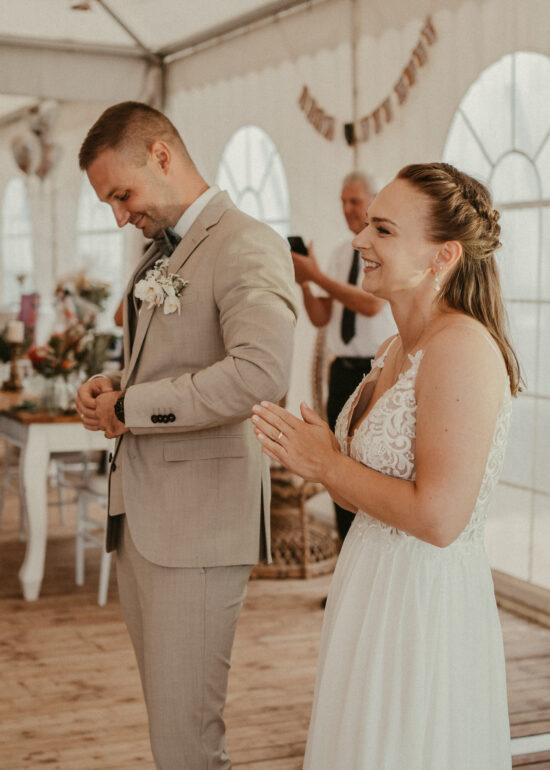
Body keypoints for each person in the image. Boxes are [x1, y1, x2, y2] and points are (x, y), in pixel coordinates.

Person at [251, 162, 520, 769]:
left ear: (442, 256)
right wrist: (325, 461)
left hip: (423, 605)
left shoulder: (462, 349)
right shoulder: (394, 348)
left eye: (383, 230)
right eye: (366, 224)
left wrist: (328, 464)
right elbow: (359, 498)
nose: (358, 241)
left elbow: (440, 518)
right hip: (369, 589)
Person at [75, 101, 297, 770]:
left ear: (163, 156)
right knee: (172, 730)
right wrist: (114, 385)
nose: (120, 215)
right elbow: (179, 363)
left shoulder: (247, 242)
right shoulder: (158, 256)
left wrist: (133, 407)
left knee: (188, 742)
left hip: (197, 526)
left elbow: (261, 374)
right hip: (147, 520)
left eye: (123, 193)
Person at [291, 172, 395, 543]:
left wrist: (316, 274)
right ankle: (344, 565)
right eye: (343, 201)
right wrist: (305, 282)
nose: (348, 209)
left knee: (368, 466)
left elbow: (369, 306)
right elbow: (321, 317)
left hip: (377, 374)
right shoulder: (339, 254)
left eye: (354, 201)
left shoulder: (385, 251)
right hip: (341, 373)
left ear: (374, 201)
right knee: (336, 463)